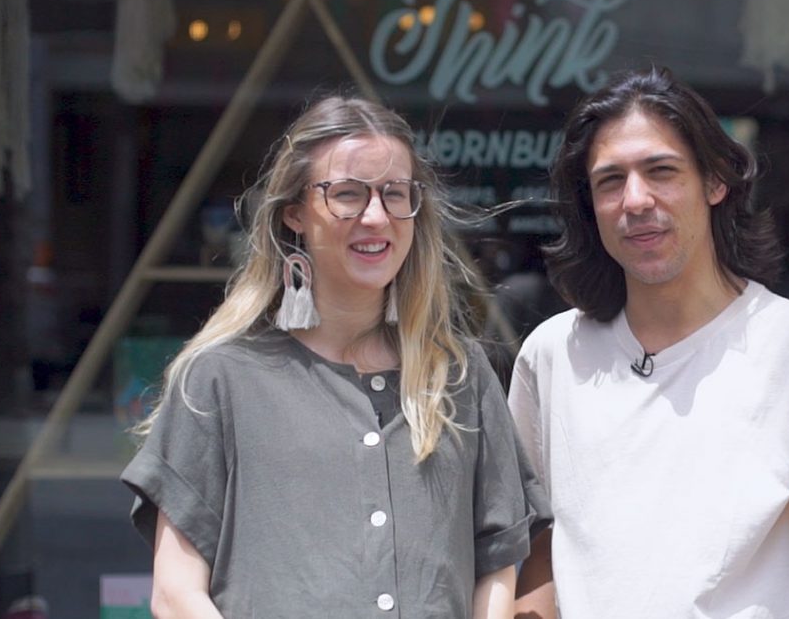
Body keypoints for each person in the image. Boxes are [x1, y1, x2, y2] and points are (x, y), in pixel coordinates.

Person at [121, 96, 546, 617]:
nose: (376, 216)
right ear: (295, 212)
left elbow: (497, 567)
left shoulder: (461, 375)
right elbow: (176, 593)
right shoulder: (221, 379)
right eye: (347, 194)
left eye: (395, 194)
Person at [508, 67, 789, 618]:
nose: (636, 200)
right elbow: (539, 550)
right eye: (610, 180)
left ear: (716, 181)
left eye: (661, 171)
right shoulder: (551, 354)